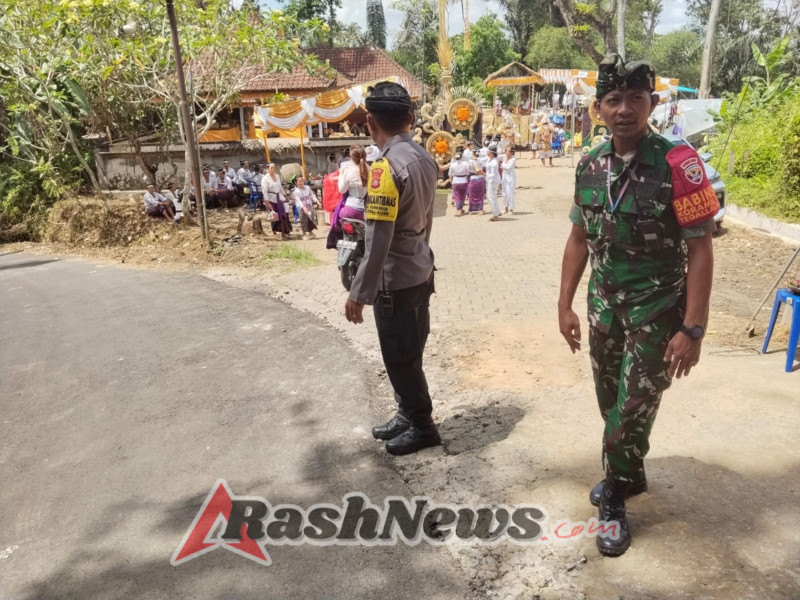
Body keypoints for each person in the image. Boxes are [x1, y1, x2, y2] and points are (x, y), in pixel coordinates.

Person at [557, 54, 718, 557]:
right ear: (599, 108)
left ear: (652, 103)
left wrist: (693, 329)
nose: (625, 109)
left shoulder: (679, 163)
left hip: (657, 313)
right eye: (614, 100)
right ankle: (631, 473)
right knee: (611, 404)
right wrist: (564, 305)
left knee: (629, 412)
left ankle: (614, 503)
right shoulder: (589, 164)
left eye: (636, 99)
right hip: (603, 309)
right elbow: (579, 238)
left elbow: (701, 248)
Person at [343, 81, 439, 456]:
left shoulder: (384, 169)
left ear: (369, 121)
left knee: (400, 356)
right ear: (411, 119)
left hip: (395, 281)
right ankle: (406, 412)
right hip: (420, 268)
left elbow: (378, 239)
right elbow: (428, 219)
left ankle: (423, 426)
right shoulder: (425, 158)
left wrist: (358, 293)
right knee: (410, 349)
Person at [337, 144, 368, 220]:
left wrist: (341, 174)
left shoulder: (349, 171)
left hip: (351, 210)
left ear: (351, 157)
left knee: (338, 218)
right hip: (369, 210)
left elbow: (342, 190)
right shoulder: (371, 170)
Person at [263, 163, 292, 238]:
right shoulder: (265, 178)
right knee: (274, 215)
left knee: (282, 214)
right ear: (267, 169)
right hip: (270, 198)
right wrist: (267, 202)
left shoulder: (277, 176)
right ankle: (274, 231)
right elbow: (264, 191)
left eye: (274, 168)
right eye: (271, 168)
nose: (273, 169)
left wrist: (285, 196)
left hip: (278, 197)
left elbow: (280, 188)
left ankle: (283, 232)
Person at [448, 149, 471, 216]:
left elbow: (450, 174)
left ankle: (459, 209)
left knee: (457, 195)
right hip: (464, 180)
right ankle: (460, 209)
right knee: (463, 195)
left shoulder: (452, 165)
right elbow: (468, 172)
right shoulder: (465, 163)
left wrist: (451, 181)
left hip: (455, 180)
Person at [484, 144, 501, 221]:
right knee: (489, 196)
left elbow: (493, 175)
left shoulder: (494, 162)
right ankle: (497, 211)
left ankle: (495, 215)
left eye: (488, 151)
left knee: (491, 197)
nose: (487, 152)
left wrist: (483, 174)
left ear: (491, 153)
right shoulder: (489, 159)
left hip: (493, 181)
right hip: (489, 180)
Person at [501, 147, 516, 214]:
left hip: (510, 176)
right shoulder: (504, 156)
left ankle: (511, 209)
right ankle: (505, 207)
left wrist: (500, 165)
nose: (506, 152)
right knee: (504, 193)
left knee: (510, 192)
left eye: (507, 151)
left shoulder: (513, 159)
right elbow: (496, 157)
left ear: (511, 152)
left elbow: (508, 167)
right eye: (505, 151)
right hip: (504, 176)